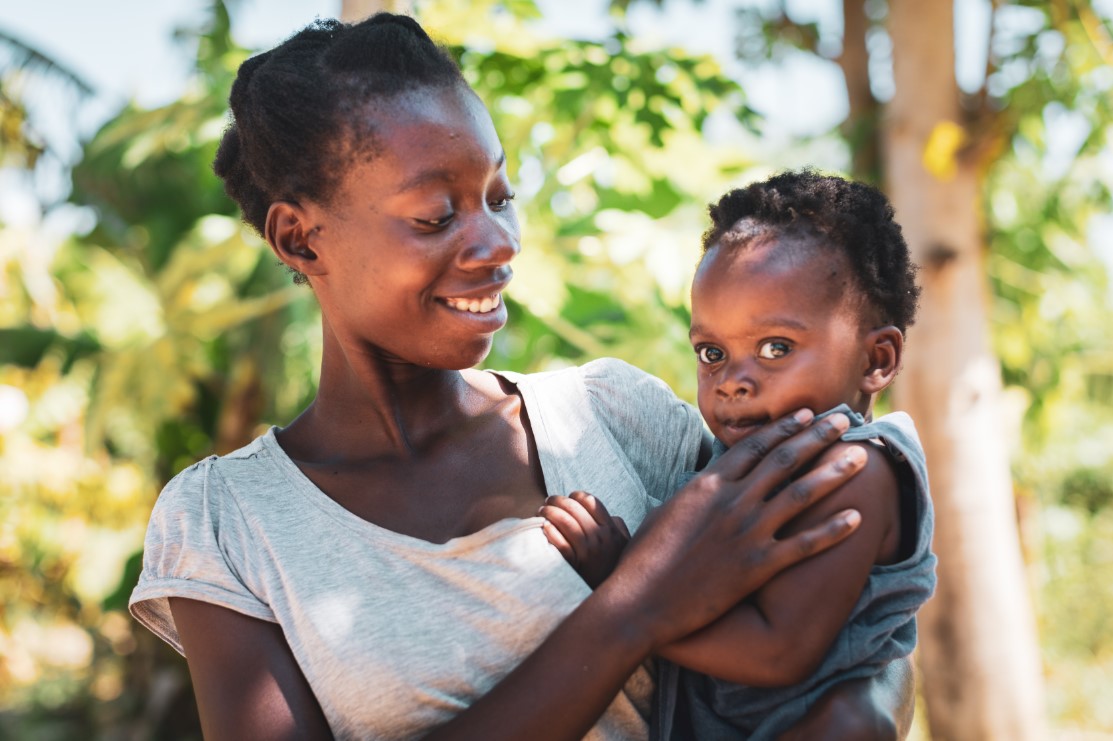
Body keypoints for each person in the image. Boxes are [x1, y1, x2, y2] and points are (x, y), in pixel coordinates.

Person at [127, 15, 912, 740]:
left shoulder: (615, 416)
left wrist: (867, 707)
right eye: (437, 215)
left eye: (499, 197)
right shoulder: (230, 524)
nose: (496, 243)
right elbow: (665, 605)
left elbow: (848, 626)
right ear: (300, 237)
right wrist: (627, 613)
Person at [540, 171, 937, 740]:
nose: (732, 383)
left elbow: (779, 654)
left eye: (775, 348)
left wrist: (622, 585)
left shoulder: (854, 469)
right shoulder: (742, 464)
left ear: (876, 358)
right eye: (712, 352)